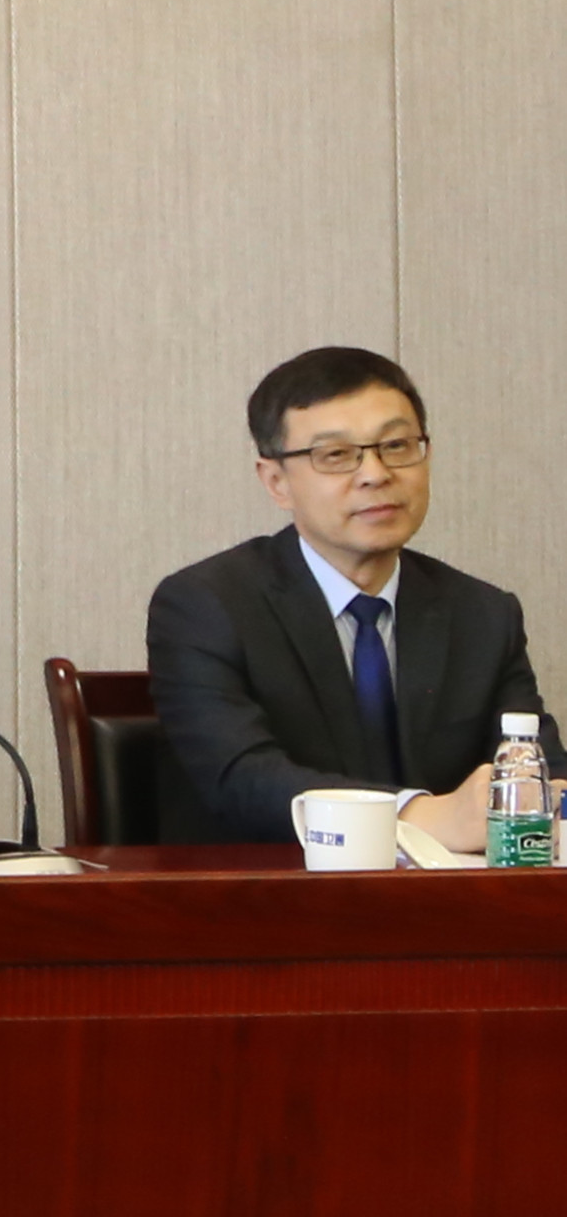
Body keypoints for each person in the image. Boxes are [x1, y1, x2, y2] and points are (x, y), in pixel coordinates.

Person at [148, 345, 540, 846]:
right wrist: (418, 816)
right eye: (335, 455)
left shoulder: (484, 613)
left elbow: (536, 768)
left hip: (451, 891)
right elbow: (242, 779)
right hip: (267, 886)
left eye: (396, 445)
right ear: (277, 482)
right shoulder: (205, 605)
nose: (376, 473)